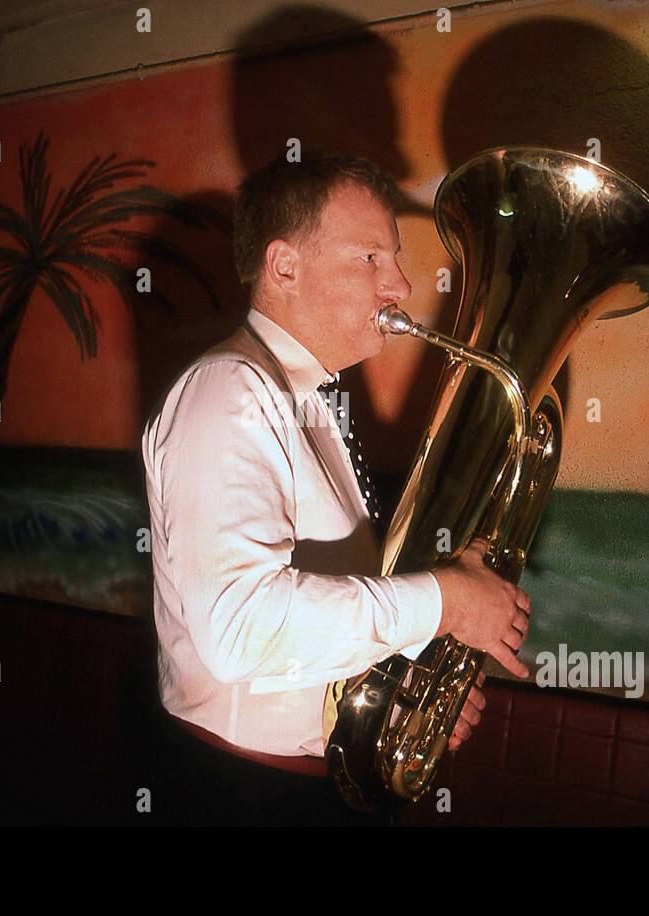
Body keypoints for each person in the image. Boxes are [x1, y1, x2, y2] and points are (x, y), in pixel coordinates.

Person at [140, 150, 532, 826]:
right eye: (370, 259)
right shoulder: (230, 391)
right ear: (284, 266)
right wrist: (444, 603)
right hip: (240, 792)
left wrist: (409, 680)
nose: (400, 286)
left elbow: (326, 608)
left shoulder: (307, 399)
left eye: (395, 260)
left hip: (298, 784)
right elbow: (242, 628)